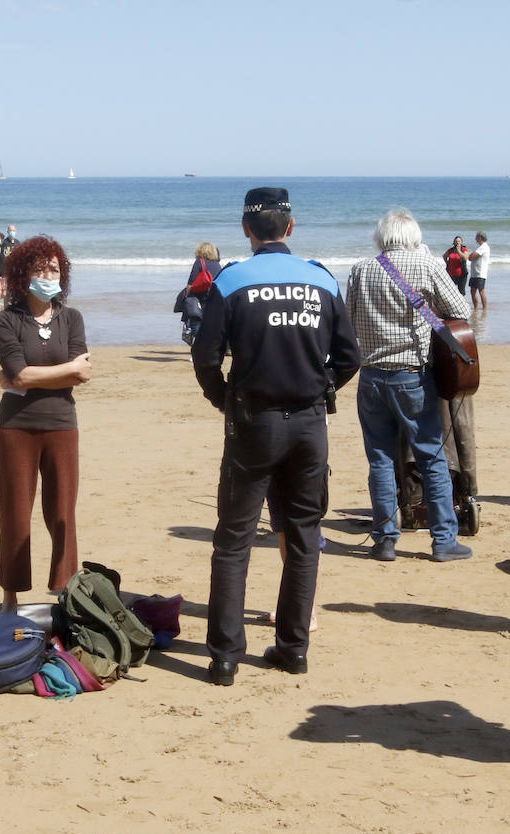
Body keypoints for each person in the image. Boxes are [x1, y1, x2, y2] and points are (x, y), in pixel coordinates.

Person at [192, 187, 360, 686]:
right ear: (291, 227)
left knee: (234, 538)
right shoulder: (321, 280)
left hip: (252, 423)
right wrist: (323, 385)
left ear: (246, 230)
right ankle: (294, 647)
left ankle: (225, 658)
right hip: (309, 423)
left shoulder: (232, 279)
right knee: (304, 537)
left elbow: (205, 356)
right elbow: (349, 356)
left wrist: (224, 397)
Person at [347, 208, 472, 564]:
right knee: (430, 455)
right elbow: (459, 307)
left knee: (381, 460)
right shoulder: (429, 265)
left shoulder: (361, 269)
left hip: (371, 374)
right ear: (414, 237)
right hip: (412, 375)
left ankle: (385, 538)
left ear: (382, 237)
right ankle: (444, 539)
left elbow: (349, 317)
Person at [0, 236, 91, 607]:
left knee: (62, 511)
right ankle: (10, 595)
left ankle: (64, 590)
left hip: (62, 424)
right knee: (15, 511)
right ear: (23, 275)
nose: (49, 275)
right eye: (40, 269)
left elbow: (82, 375)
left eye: (54, 269)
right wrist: (61, 371)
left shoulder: (72, 318)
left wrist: (27, 376)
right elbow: (19, 375)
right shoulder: (7, 320)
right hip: (16, 426)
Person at [175, 242, 222, 346]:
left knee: (195, 320)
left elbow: (191, 282)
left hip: (200, 295)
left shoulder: (199, 262)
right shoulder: (217, 264)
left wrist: (186, 296)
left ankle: (203, 342)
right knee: (208, 321)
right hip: (214, 295)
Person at [467, 230, 490, 309]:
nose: (475, 238)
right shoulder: (481, 247)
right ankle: (476, 307)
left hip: (480, 273)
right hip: (475, 273)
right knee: (473, 291)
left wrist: (469, 256)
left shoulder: (483, 247)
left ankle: (484, 308)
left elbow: (471, 257)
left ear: (480, 237)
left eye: (476, 236)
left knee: (481, 291)